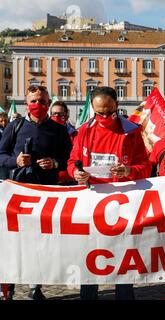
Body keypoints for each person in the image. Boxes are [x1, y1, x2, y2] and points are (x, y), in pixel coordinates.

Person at [67, 86, 152, 300]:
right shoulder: (85, 130)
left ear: (117, 106)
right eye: (99, 113)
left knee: (123, 257)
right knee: (90, 255)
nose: (104, 117)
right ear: (93, 109)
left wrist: (130, 171)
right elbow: (72, 161)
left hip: (122, 203)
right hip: (91, 202)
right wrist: (76, 173)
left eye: (109, 112)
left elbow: (146, 165)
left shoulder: (131, 131)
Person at [0, 85, 72, 300]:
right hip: (18, 192)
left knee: (40, 241)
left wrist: (55, 162)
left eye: (42, 101)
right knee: (13, 241)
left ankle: (35, 286)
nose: (37, 105)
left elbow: (70, 159)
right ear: (26, 104)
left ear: (48, 104)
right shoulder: (15, 126)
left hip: (46, 193)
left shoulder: (59, 130)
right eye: (33, 101)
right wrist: (16, 161)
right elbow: (0, 154)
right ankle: (8, 288)